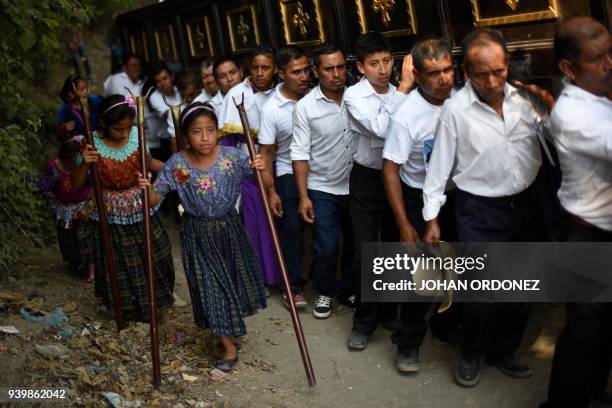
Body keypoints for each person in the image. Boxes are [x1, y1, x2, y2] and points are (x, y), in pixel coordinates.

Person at [422, 29, 543, 387]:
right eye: (481, 73)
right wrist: (431, 218)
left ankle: (504, 350)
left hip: (527, 204)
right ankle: (472, 351)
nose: (491, 81)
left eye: (498, 72)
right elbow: (439, 168)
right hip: (479, 210)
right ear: (466, 73)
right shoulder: (455, 112)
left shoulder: (525, 99)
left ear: (507, 66)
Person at [139, 101, 267, 375]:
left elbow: (265, 184)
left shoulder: (233, 157)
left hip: (229, 228)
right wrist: (146, 186)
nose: (205, 137)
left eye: (210, 130)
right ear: (186, 135)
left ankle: (228, 331)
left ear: (218, 131)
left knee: (230, 281)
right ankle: (228, 348)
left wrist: (260, 168)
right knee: (212, 288)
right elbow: (152, 201)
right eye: (197, 131)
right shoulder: (177, 163)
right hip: (196, 233)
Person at [541, 16, 612, 408]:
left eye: (611, 53)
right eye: (598, 58)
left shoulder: (600, 93)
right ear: (568, 68)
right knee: (584, 334)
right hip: (588, 237)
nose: (609, 64)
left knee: (605, 332)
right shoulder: (573, 115)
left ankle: (593, 393)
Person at [382, 37, 458, 372]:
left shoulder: (462, 99)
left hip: (459, 196)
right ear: (418, 75)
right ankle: (408, 342)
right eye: (433, 74)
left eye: (448, 70)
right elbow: (391, 169)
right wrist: (404, 223)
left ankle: (448, 328)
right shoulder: (406, 115)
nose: (444, 79)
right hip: (418, 198)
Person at [71, 94, 175, 321]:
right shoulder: (91, 143)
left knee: (157, 252)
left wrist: (174, 168)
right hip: (108, 211)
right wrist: (84, 163)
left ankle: (154, 303)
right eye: (119, 129)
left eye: (128, 127)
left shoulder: (137, 136)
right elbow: (77, 183)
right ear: (103, 125)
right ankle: (124, 307)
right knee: (116, 262)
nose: (125, 133)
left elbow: (149, 163)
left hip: (139, 204)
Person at [345, 31, 413, 349]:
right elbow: (384, 128)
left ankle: (388, 313)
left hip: (399, 178)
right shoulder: (354, 97)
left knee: (396, 249)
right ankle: (364, 322)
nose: (383, 69)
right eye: (374, 63)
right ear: (361, 67)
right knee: (366, 251)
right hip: (367, 179)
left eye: (387, 61)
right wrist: (403, 89)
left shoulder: (404, 94)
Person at [290, 42, 354, 318]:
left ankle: (350, 289)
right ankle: (326, 291)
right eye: (329, 69)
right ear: (316, 71)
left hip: (357, 186)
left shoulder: (357, 97)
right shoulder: (305, 107)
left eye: (341, 67)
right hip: (322, 187)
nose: (336, 74)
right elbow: (300, 154)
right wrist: (304, 196)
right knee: (327, 247)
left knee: (356, 244)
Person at [218, 44, 281, 288]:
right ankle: (262, 277)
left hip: (281, 161)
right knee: (257, 222)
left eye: (266, 67)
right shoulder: (237, 94)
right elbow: (230, 141)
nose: (260, 73)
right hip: (251, 164)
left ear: (275, 69)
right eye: (255, 68)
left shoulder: (282, 93)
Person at [259, 46, 310, 309]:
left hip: (322, 171)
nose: (304, 77)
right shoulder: (272, 109)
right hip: (288, 172)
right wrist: (271, 191)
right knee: (291, 229)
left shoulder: (317, 95)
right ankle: (294, 286)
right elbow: (265, 153)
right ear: (281, 74)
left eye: (306, 70)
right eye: (296, 72)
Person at [38, 136, 94, 287]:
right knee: (67, 237)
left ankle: (92, 272)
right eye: (70, 163)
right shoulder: (52, 168)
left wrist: (88, 207)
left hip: (83, 207)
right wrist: (56, 205)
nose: (73, 166)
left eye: (76, 161)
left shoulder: (85, 167)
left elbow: (94, 187)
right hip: (63, 209)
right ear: (62, 159)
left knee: (85, 238)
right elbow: (45, 187)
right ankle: (75, 264)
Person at [148, 63, 182, 161]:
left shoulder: (180, 89)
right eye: (158, 81)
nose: (163, 83)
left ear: (172, 77)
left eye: (165, 78)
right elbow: (171, 116)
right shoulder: (155, 97)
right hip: (168, 141)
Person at [57, 75, 101, 142]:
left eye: (86, 88)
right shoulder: (65, 109)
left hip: (99, 141)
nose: (85, 91)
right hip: (80, 146)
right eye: (82, 90)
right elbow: (59, 132)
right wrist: (65, 127)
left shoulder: (95, 101)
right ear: (71, 93)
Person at [166, 70, 200, 152]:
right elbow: (174, 141)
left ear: (199, 88)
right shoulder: (175, 109)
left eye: (191, 94)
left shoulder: (209, 101)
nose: (188, 99)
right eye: (184, 96)